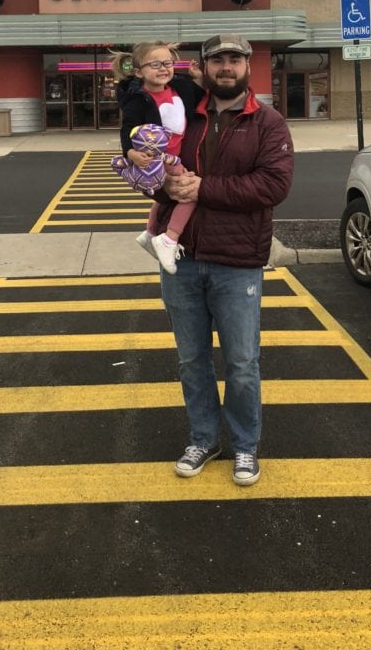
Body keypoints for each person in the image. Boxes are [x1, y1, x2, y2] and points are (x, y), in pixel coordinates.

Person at [152, 33, 294, 487]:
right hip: (183, 259)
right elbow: (157, 166)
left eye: (234, 59)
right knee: (192, 360)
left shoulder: (268, 123)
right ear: (204, 67)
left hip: (238, 262)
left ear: (248, 66)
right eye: (218, 61)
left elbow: (272, 186)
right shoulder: (182, 117)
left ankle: (245, 446)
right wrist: (164, 188)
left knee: (241, 362)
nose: (226, 67)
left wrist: (203, 190)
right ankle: (203, 438)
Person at [111, 42, 203, 274]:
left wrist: (199, 78)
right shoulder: (137, 98)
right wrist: (130, 153)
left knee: (167, 198)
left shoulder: (181, 86)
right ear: (139, 71)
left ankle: (150, 233)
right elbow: (127, 129)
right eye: (155, 64)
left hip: (177, 155)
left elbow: (204, 98)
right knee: (190, 192)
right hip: (157, 157)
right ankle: (169, 239)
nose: (163, 69)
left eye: (167, 63)